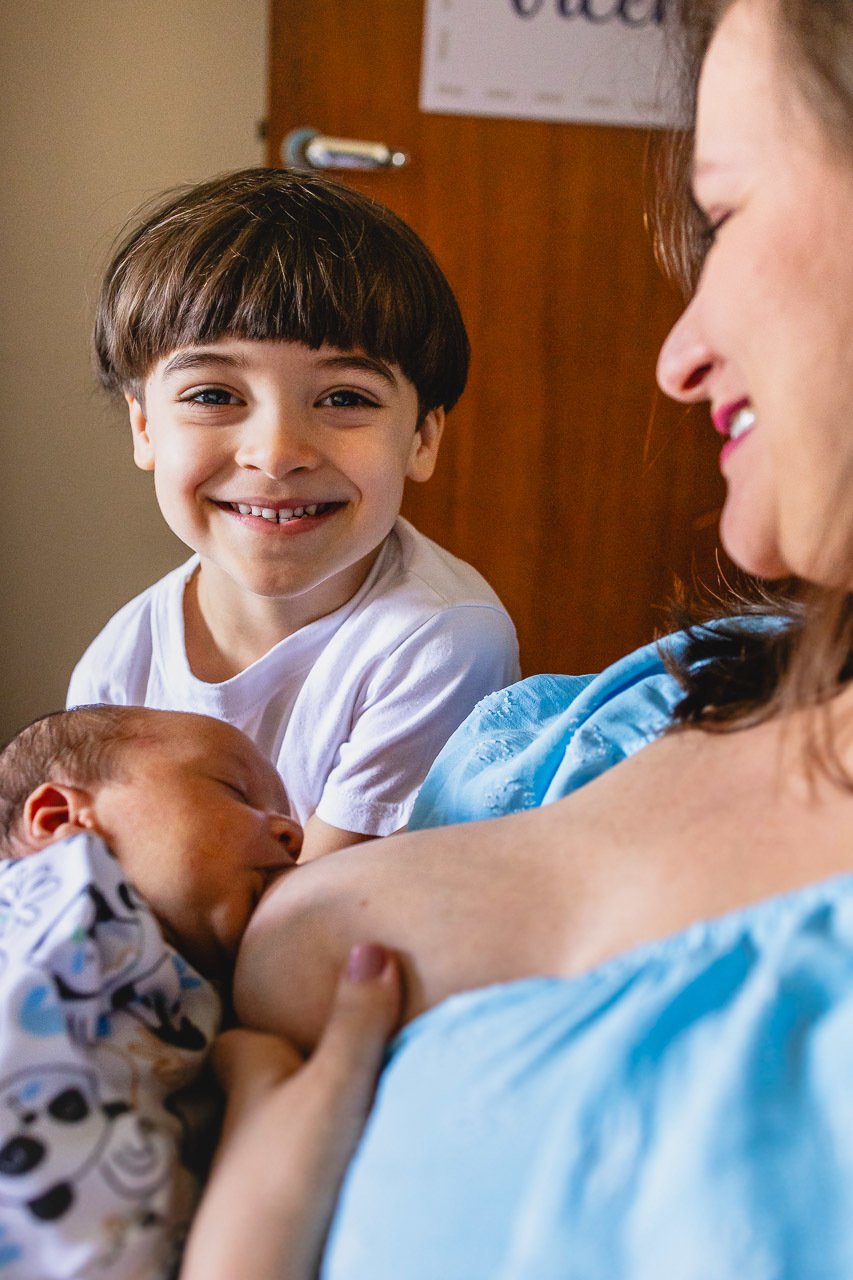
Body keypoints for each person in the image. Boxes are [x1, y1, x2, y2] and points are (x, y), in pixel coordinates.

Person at [199, 0, 853, 1275]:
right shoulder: (635, 705)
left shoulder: (438, 638)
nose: (676, 358)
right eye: (214, 392)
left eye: (725, 216)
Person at [68, 168, 519, 862]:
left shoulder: (443, 644)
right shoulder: (118, 666)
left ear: (422, 440)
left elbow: (316, 911)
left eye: (345, 398)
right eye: (214, 395)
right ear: (145, 428)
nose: (277, 454)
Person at [0, 703, 303, 1278]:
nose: (294, 834)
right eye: (237, 792)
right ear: (61, 818)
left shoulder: (202, 997)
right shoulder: (59, 889)